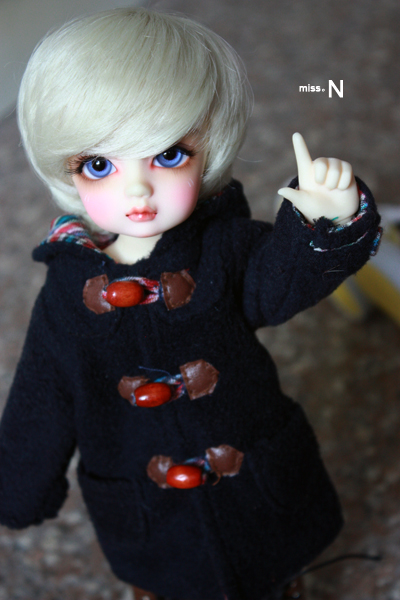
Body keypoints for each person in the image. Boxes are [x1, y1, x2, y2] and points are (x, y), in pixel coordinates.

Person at [0, 8, 381, 600]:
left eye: (169, 155)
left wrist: (325, 221)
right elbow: (42, 397)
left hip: (255, 487)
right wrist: (17, 487)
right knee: (167, 582)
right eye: (98, 165)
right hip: (150, 516)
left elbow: (281, 282)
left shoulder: (222, 249)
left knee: (275, 570)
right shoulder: (68, 300)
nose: (137, 189)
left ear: (209, 150)